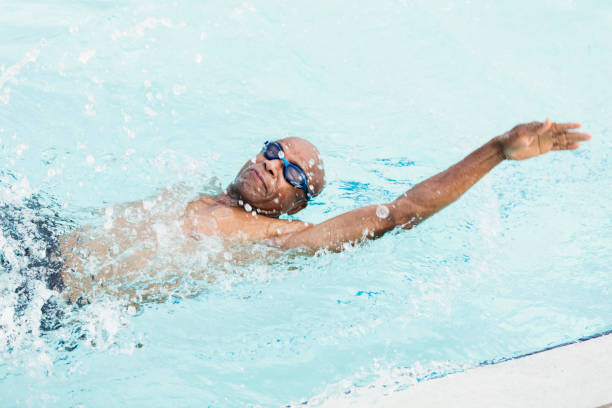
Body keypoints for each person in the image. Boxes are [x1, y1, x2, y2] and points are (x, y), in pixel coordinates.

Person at [58, 118, 590, 305]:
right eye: (273, 152)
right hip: (41, 239)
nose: (273, 166)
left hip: (60, 295)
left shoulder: (277, 239)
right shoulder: (194, 185)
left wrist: (494, 151)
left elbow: (401, 211)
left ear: (294, 205)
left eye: (291, 173)